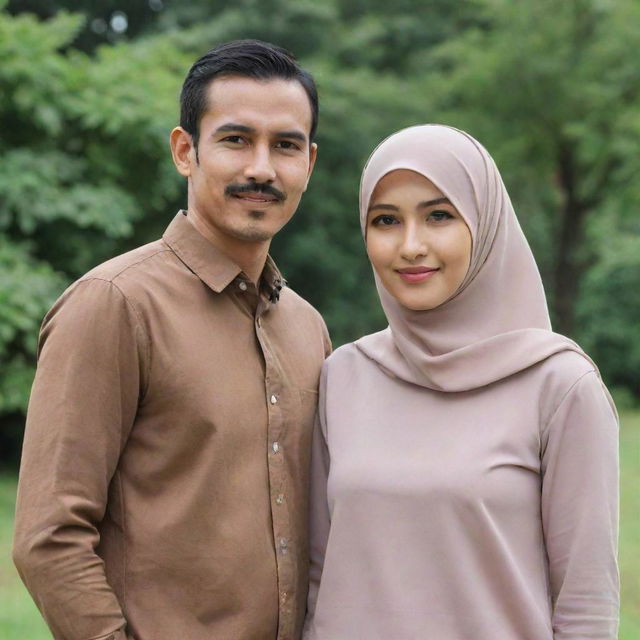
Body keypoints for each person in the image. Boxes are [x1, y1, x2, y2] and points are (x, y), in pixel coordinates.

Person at [13, 39, 330, 640]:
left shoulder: (307, 327)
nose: (262, 167)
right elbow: (49, 538)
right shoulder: (114, 304)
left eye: (285, 145)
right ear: (186, 151)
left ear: (308, 165)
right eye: (236, 139)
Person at [304, 124, 619, 639]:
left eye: (439, 216)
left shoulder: (560, 386)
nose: (410, 245)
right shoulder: (343, 375)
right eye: (386, 220)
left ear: (485, 222)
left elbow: (585, 609)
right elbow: (319, 575)